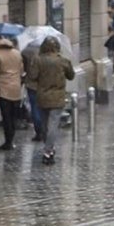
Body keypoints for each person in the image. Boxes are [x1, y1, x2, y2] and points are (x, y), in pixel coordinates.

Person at [29, 36, 74, 164]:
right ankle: (48, 151)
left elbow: (32, 76)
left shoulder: (38, 60)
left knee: (44, 124)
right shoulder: (63, 60)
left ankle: (49, 148)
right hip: (57, 96)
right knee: (53, 124)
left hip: (42, 95)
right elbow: (71, 76)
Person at [0, 37, 24, 150]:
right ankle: (11, 139)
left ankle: (8, 141)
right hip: (16, 88)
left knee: (6, 116)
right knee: (13, 116)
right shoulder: (17, 53)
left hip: (4, 88)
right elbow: (21, 70)